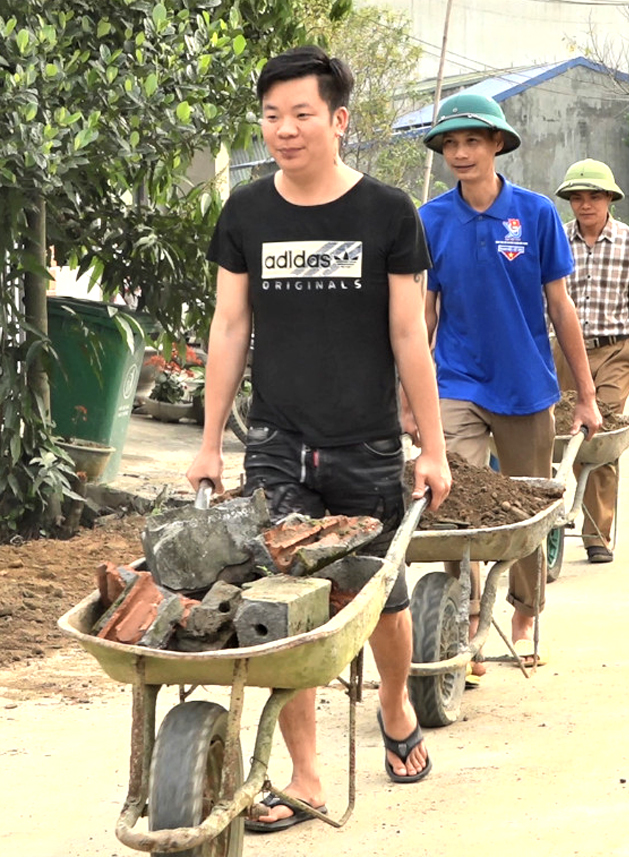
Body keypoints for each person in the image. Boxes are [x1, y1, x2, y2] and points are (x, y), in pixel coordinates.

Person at [186, 46, 452, 831]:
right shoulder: (247, 214)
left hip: (367, 444)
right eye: (272, 116)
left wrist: (430, 447)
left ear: (338, 119)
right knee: (283, 607)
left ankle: (395, 706)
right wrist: (209, 441)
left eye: (301, 114)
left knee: (383, 603)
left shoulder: (388, 214)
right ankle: (306, 775)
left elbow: (410, 336)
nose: (284, 130)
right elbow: (229, 326)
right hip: (277, 442)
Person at [418, 92, 602, 671]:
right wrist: (407, 394)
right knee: (456, 505)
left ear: (498, 144)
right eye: (450, 143)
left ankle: (525, 610)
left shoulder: (538, 214)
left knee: (523, 510)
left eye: (472, 140)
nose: (460, 152)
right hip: (456, 381)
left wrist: (587, 394)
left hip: (525, 385)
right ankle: (464, 618)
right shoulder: (431, 220)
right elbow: (423, 313)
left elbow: (560, 306)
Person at [552, 158, 629, 564]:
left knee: (599, 438)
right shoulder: (556, 240)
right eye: (578, 198)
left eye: (594, 197)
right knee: (561, 437)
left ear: (609, 200)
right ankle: (550, 522)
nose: (586, 205)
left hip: (615, 349)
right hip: (566, 351)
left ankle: (596, 533)